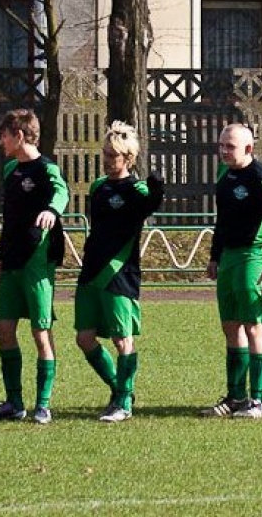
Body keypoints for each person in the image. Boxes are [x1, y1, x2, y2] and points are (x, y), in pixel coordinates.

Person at [0, 109, 69, 424]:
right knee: (3, 330)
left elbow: (62, 192)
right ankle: (14, 403)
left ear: (19, 136)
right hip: (11, 261)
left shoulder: (46, 169)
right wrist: (0, 255)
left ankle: (43, 405)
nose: (0, 142)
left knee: (40, 332)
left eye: (4, 136)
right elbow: (10, 220)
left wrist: (52, 211)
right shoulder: (10, 170)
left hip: (37, 263)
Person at [76, 121, 164, 423]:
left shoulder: (137, 189)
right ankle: (119, 389)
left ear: (128, 158)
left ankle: (123, 403)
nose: (107, 159)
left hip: (119, 273)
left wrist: (157, 188)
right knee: (84, 338)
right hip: (91, 271)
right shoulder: (98, 187)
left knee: (122, 339)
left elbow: (151, 203)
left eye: (112, 155)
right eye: (105, 153)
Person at [201, 123, 262, 419]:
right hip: (230, 258)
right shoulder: (224, 176)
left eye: (230, 146)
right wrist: (215, 256)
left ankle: (260, 401)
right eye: (221, 145)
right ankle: (236, 397)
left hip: (255, 256)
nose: (223, 151)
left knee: (254, 325)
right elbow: (221, 220)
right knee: (230, 325)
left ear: (249, 148)